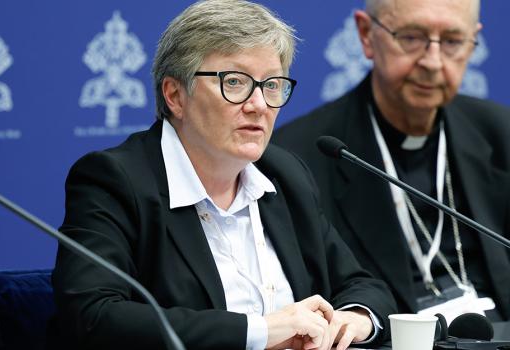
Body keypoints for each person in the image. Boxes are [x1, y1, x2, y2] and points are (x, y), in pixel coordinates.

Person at [47, 0, 397, 349]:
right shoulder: (115, 180)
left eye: (272, 85)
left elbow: (363, 286)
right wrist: (260, 331)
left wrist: (354, 319)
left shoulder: (282, 175)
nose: (259, 104)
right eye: (235, 82)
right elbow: (93, 316)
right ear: (175, 95)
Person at [274, 0, 510, 323]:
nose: (433, 61)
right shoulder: (297, 157)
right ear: (366, 34)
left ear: (473, 41)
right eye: (412, 37)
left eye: (453, 41)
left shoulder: (502, 134)